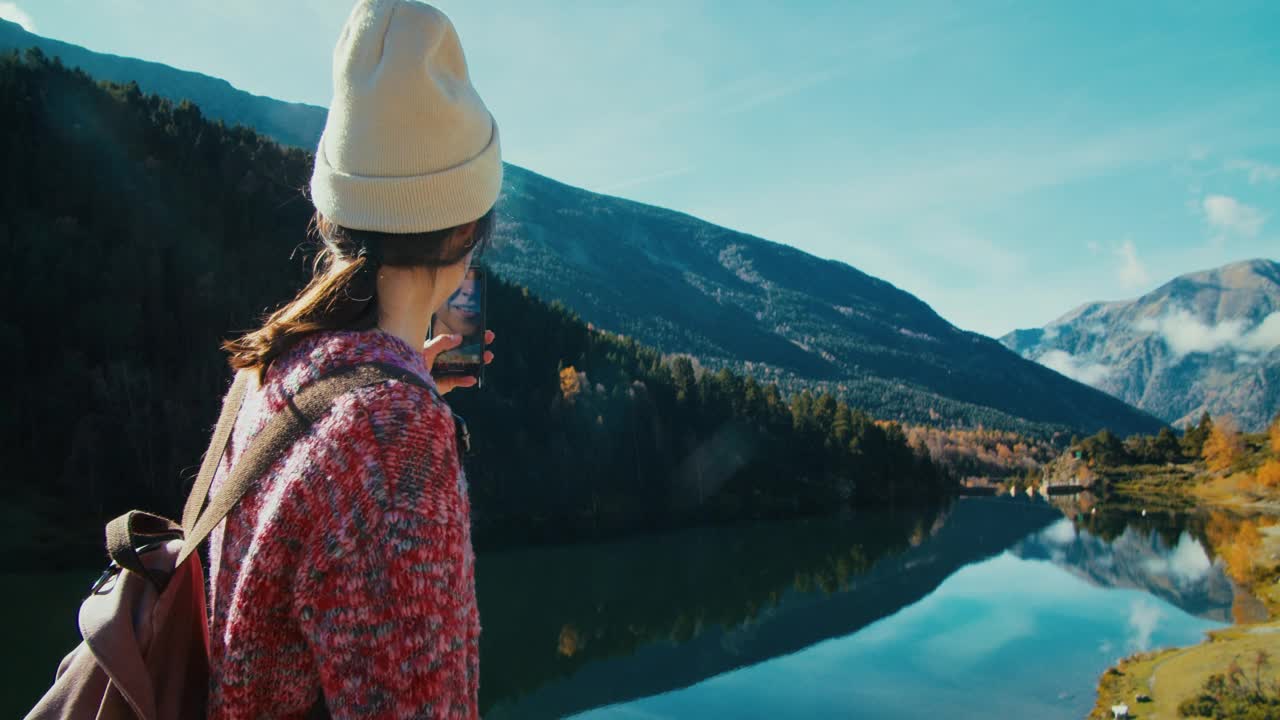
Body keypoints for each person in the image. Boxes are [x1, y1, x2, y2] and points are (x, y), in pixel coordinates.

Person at [208, 1, 500, 717]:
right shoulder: (389, 435)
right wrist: (395, 417)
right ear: (468, 226)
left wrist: (391, 389)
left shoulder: (278, 372)